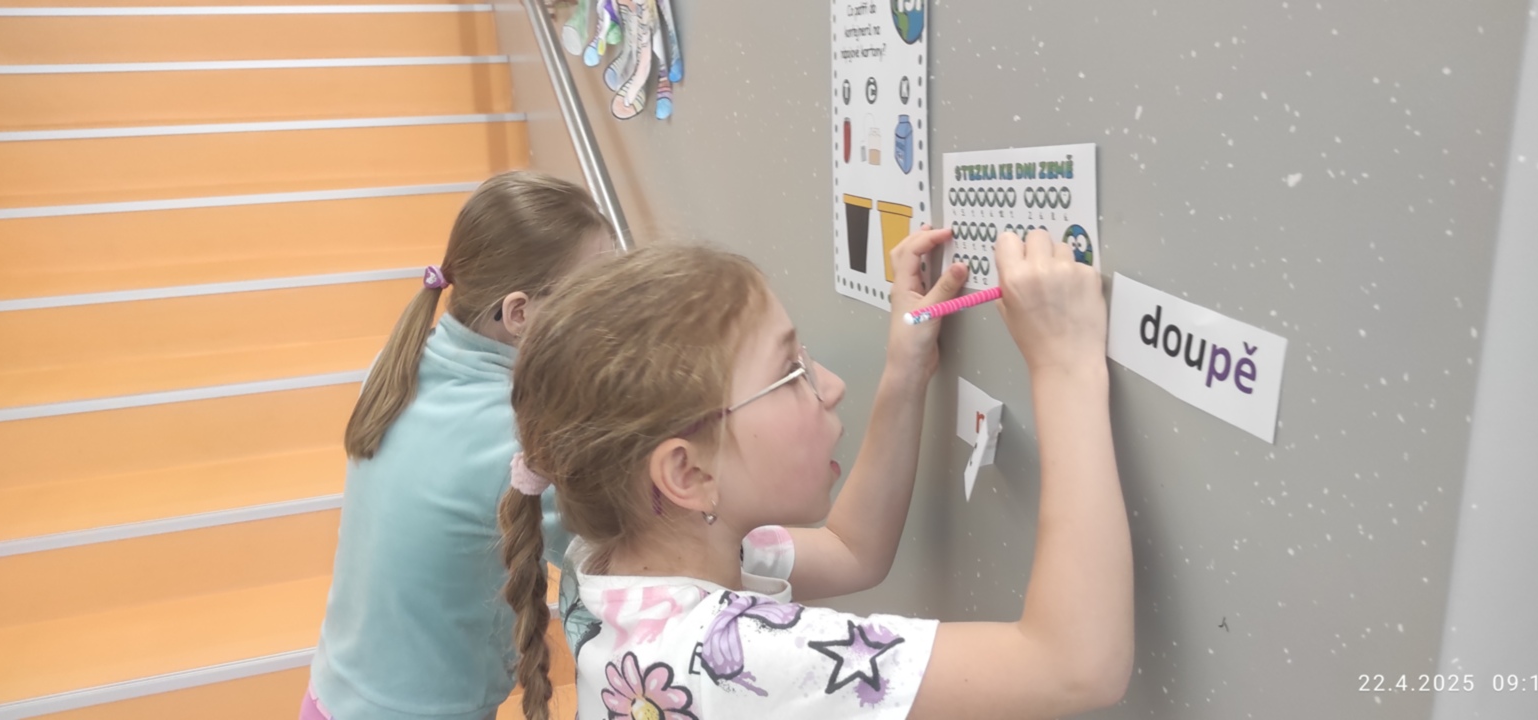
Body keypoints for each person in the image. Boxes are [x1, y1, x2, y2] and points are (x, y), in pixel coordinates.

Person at [501, 227, 1132, 719]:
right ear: (687, 474)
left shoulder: (621, 557)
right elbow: (1074, 666)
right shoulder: (734, 657)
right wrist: (1064, 365)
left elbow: (852, 550)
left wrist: (906, 369)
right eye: (790, 374)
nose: (830, 386)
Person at [302, 171, 614, 720]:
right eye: (596, 298)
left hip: (331, 695)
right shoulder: (510, 441)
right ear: (519, 314)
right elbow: (625, 544)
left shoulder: (401, 362)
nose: (613, 317)